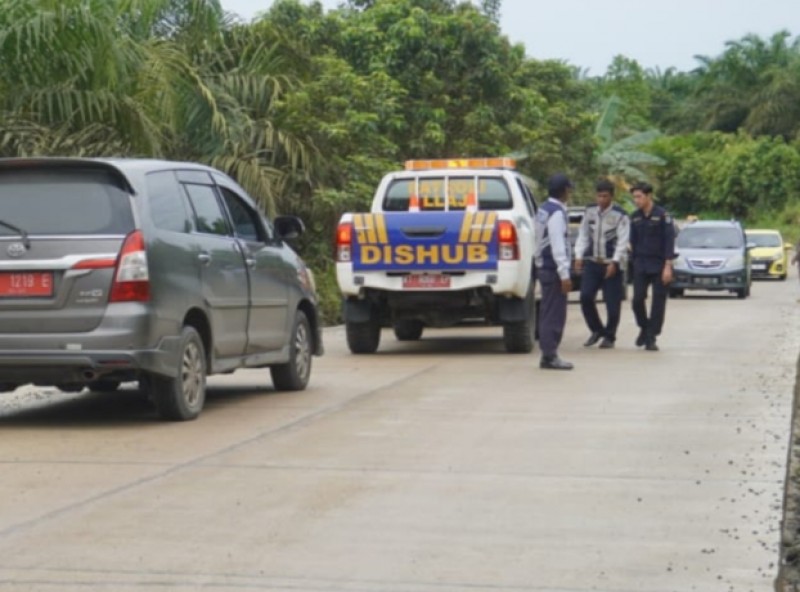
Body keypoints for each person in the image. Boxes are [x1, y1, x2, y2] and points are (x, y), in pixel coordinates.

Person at [574, 180, 630, 349]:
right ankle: (597, 329)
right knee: (585, 297)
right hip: (593, 262)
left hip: (611, 264)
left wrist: (614, 262)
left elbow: (623, 241)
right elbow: (583, 234)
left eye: (605, 196)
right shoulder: (590, 211)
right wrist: (578, 255)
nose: (601, 200)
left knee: (612, 304)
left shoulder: (620, 215)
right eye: (599, 196)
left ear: (612, 196)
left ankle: (610, 336)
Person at [534, 173, 574, 370]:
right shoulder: (557, 213)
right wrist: (564, 274)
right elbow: (558, 244)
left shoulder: (543, 209)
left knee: (547, 311)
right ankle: (550, 355)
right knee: (555, 313)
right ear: (565, 190)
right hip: (553, 269)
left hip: (544, 266)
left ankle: (548, 353)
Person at [629, 182, 675, 351]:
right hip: (641, 264)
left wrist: (668, 266)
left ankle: (651, 336)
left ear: (649, 196)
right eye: (634, 197)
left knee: (658, 302)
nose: (636, 200)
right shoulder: (635, 217)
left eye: (639, 196)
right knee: (637, 299)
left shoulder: (663, 215)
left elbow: (669, 241)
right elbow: (632, 241)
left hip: (659, 265)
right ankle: (644, 326)